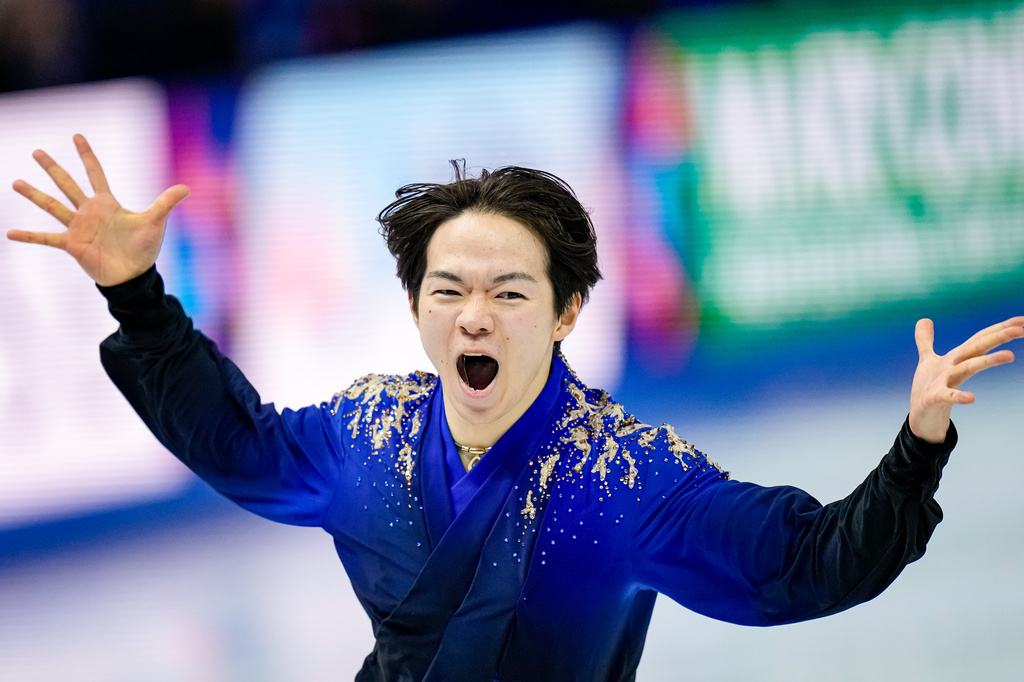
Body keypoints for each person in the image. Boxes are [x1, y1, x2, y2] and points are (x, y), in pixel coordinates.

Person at [8, 134, 1023, 681]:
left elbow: (809, 563)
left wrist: (915, 445)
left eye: (508, 293)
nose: (474, 319)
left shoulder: (626, 479)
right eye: (447, 292)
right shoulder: (365, 438)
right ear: (413, 307)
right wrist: (137, 296)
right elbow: (236, 442)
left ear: (568, 310)